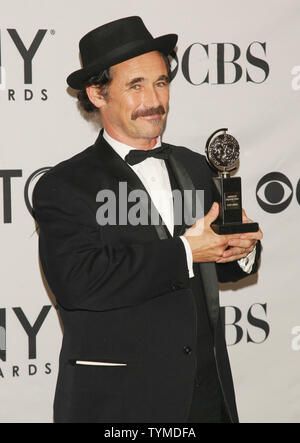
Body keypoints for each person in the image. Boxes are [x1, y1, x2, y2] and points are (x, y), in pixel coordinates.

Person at [32, 16, 262, 423]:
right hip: (120, 404)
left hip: (207, 399)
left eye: (161, 82)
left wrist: (240, 250)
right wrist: (188, 250)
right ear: (97, 94)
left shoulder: (194, 166)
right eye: (135, 85)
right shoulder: (64, 186)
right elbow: (79, 284)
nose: (154, 99)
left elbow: (213, 266)